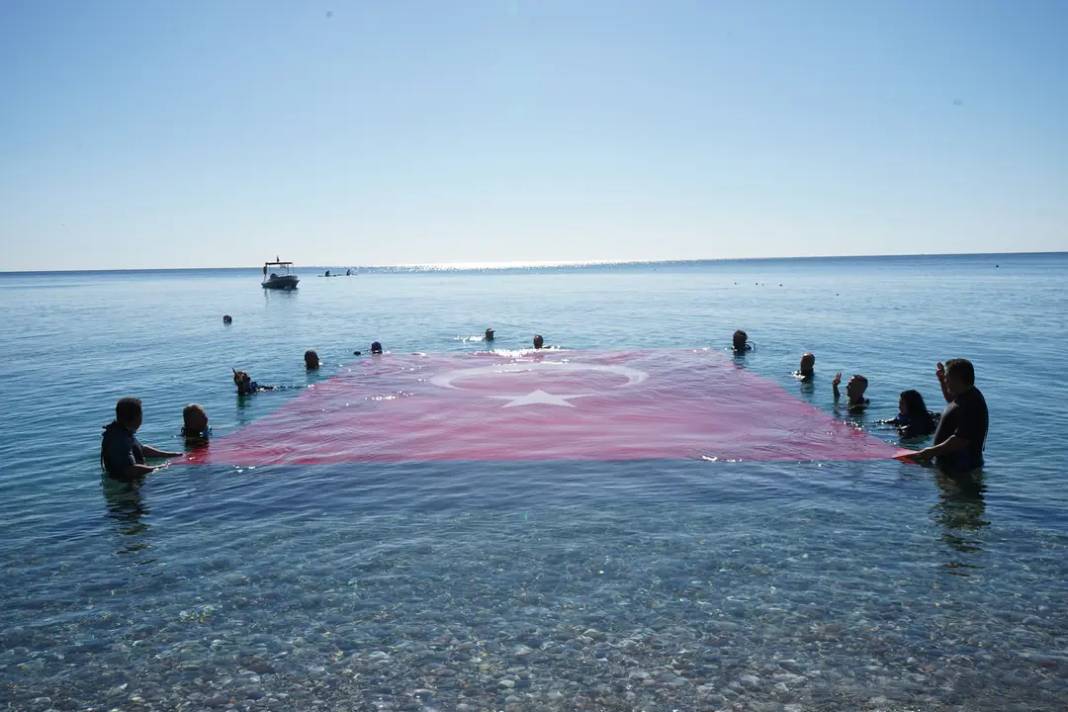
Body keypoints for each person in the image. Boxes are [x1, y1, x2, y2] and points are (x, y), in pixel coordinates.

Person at [910, 359, 988, 472]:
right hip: (953, 465)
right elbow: (952, 401)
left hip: (962, 468)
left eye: (947, 378)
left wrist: (930, 452)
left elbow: (960, 440)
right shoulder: (966, 393)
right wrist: (941, 380)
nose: (946, 381)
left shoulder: (972, 404)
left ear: (957, 379)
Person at [100, 397, 180, 481]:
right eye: (141, 414)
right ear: (136, 417)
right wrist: (160, 467)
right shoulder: (119, 440)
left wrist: (173, 455)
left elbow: (142, 449)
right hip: (125, 488)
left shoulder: (121, 431)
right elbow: (130, 470)